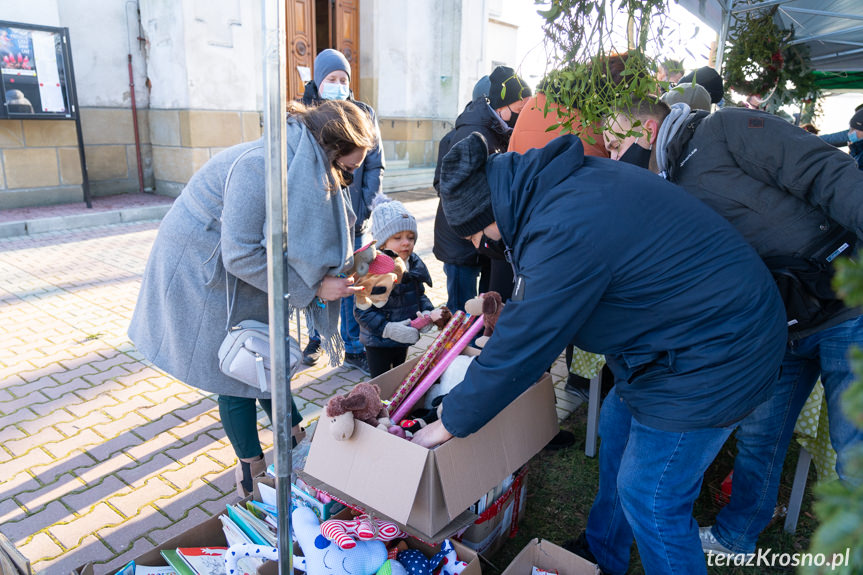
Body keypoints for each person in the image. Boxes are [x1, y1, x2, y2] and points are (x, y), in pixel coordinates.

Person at [413, 131, 786, 575]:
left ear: (489, 211)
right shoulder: (552, 191)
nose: (483, 245)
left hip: (718, 352)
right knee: (615, 425)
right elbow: (544, 305)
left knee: (651, 497)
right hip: (672, 342)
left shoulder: (562, 225)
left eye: (478, 235)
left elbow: (526, 342)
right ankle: (603, 551)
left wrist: (449, 420)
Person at [604, 97, 863, 559]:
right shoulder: (667, 186)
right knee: (760, 435)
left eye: (613, 142)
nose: (610, 155)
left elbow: (826, 172)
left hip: (848, 303)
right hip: (779, 326)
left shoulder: (723, 130)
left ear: (645, 130)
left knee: (854, 450)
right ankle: (738, 534)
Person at [128, 100, 376, 497]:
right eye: (346, 168)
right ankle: (251, 469)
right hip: (205, 271)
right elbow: (241, 254)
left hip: (242, 266)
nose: (347, 179)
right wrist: (312, 286)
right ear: (328, 150)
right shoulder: (259, 167)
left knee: (265, 356)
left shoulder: (299, 162)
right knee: (236, 367)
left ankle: (295, 440)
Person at [299, 48, 386, 375]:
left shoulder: (363, 113)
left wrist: (364, 207)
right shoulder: (306, 113)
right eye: (330, 79)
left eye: (343, 79)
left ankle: (352, 346)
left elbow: (376, 165)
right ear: (318, 81)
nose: (337, 84)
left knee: (351, 283)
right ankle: (316, 337)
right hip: (318, 219)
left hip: (355, 217)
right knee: (316, 278)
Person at [432, 65, 531, 312]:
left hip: (485, 239)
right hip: (462, 240)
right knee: (461, 311)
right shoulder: (474, 133)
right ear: (500, 106)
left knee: (483, 308)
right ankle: (457, 351)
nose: (522, 115)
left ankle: (477, 345)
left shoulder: (498, 130)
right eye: (519, 109)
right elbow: (448, 185)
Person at [355, 200, 435, 377]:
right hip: (378, 340)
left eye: (410, 237)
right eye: (397, 238)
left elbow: (419, 293)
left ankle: (398, 404)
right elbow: (362, 312)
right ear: (382, 243)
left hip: (404, 335)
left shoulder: (412, 263)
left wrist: (428, 311)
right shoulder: (374, 271)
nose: (406, 243)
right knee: (381, 381)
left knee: (400, 376)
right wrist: (387, 328)